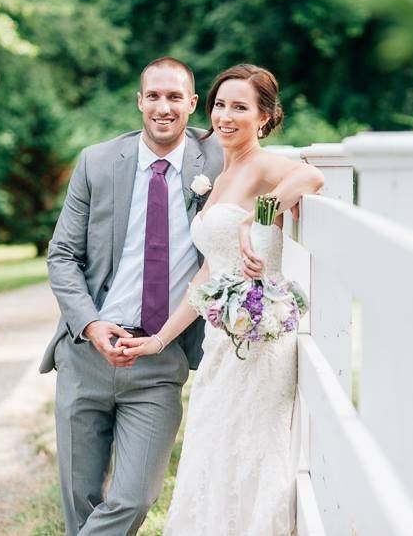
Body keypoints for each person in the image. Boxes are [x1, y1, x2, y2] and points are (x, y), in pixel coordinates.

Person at [118, 63, 325, 535]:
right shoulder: (221, 173)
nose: (225, 117)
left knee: (251, 454)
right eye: (219, 105)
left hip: (259, 340)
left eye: (240, 107)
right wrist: (159, 340)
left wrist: (260, 217)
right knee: (213, 454)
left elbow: (310, 179)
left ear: (265, 117)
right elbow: (208, 275)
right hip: (221, 341)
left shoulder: (263, 165)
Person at [39, 57, 223, 535]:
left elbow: (271, 162)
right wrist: (93, 325)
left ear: (193, 104)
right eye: (154, 96)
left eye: (175, 97)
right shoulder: (97, 162)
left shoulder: (218, 159)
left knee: (133, 498)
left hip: (159, 360)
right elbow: (61, 256)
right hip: (86, 356)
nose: (164, 107)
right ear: (140, 101)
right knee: (80, 500)